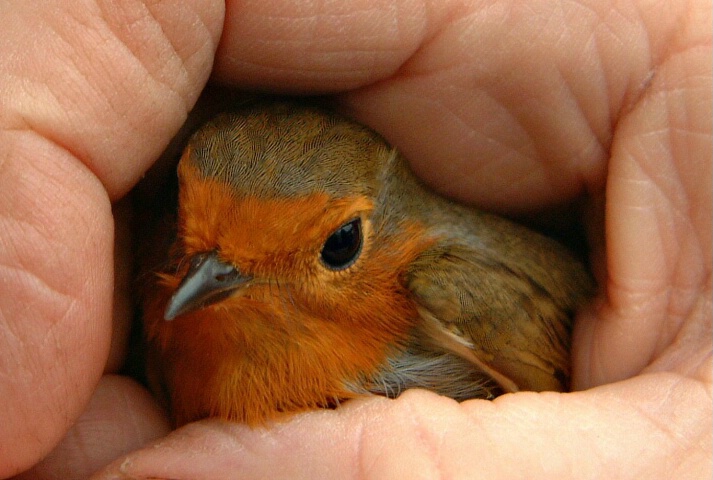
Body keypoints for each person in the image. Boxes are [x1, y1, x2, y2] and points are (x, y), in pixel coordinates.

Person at [1, 1, 710, 478]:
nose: (202, 278)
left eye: (335, 249)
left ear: (375, 231)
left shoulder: (451, 290)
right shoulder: (177, 295)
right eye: (190, 238)